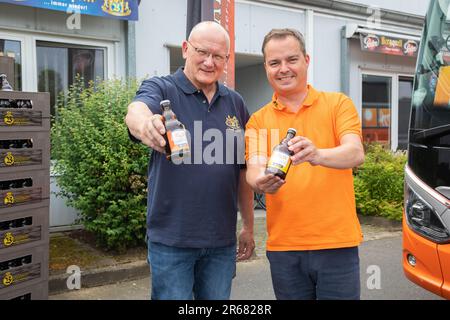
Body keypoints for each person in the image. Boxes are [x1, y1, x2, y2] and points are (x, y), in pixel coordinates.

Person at [125, 21, 255, 300]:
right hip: (173, 242)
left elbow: (243, 170)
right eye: (201, 52)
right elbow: (135, 111)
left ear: (226, 60)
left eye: (218, 56)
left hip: (221, 242)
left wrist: (248, 226)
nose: (209, 62)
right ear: (185, 49)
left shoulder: (236, 103)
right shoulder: (162, 88)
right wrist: (146, 123)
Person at [245, 28, 365, 300]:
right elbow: (254, 169)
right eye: (274, 63)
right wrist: (260, 182)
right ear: (266, 67)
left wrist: (317, 155)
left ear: (306, 60)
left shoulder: (338, 104)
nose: (283, 69)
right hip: (285, 249)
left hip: (337, 244)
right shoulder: (258, 121)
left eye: (292, 59)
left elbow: (355, 152)